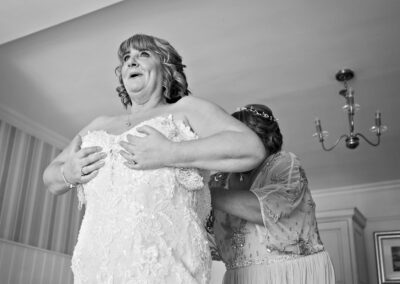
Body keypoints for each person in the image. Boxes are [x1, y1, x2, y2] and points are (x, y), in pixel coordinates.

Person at [42, 34, 265, 284]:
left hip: (166, 270)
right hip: (96, 271)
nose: (131, 62)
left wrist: (170, 152)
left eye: (143, 55)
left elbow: (250, 148)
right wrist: (68, 174)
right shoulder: (99, 125)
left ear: (166, 68)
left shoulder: (186, 110)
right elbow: (51, 179)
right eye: (126, 58)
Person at [208, 104, 335, 284]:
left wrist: (205, 193)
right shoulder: (219, 181)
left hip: (288, 275)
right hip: (239, 278)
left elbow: (271, 209)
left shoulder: (283, 163)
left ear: (264, 139)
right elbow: (204, 237)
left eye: (240, 138)